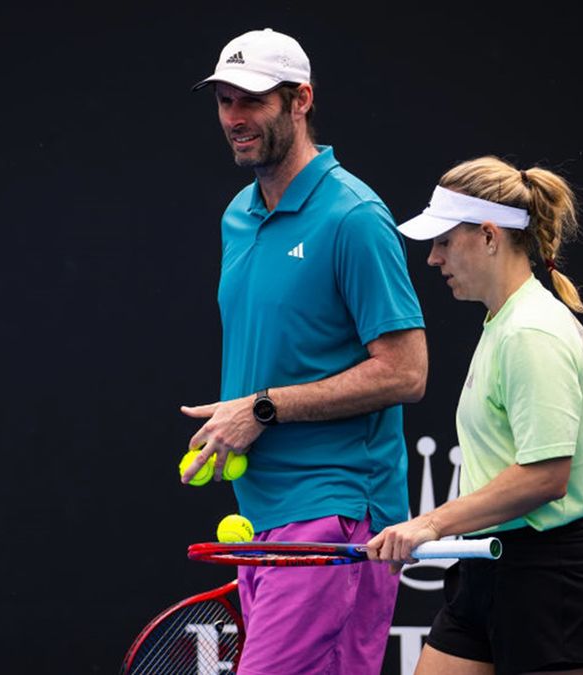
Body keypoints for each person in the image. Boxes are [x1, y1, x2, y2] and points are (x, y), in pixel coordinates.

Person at [179, 28, 428, 675]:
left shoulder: (353, 216)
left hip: (338, 515)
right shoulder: (238, 215)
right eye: (225, 101)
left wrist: (260, 409)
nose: (235, 119)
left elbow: (407, 371)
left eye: (252, 101)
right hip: (262, 517)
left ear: (300, 100)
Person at [366, 157, 583, 675]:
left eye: (444, 242)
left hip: (546, 585)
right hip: (486, 569)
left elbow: (546, 476)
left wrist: (431, 524)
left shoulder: (531, 332)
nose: (432, 259)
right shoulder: (503, 323)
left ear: (488, 236)